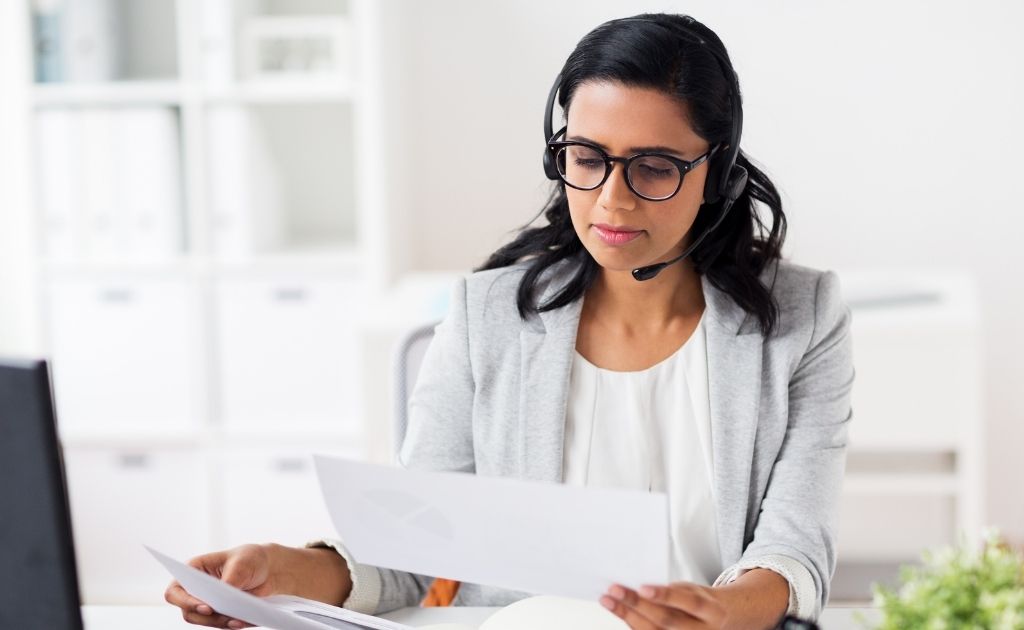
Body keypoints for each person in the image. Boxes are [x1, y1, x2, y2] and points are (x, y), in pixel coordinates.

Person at [166, 12, 854, 630]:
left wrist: (724, 611)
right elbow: (412, 553)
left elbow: (794, 551)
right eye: (586, 159)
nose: (612, 200)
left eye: (653, 168)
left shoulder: (803, 319)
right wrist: (284, 571)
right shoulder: (486, 314)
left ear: (719, 173)